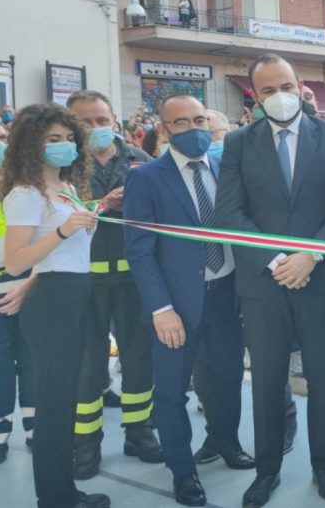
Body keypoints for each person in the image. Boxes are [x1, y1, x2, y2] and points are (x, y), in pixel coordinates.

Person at [215, 53, 325, 508]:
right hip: (264, 282)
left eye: (286, 86)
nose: (280, 97)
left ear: (301, 85)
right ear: (255, 97)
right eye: (268, 90)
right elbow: (230, 213)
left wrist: (311, 255)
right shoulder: (239, 143)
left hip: (320, 278)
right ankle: (267, 470)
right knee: (267, 379)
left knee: (321, 377)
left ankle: (323, 465)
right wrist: (279, 259)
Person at [123, 95, 252, 507]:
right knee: (172, 393)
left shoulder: (223, 169)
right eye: (181, 123)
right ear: (163, 129)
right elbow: (140, 250)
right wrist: (161, 309)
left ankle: (225, 442)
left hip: (226, 296)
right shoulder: (146, 178)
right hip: (176, 306)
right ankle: (183, 470)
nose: (194, 129)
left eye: (200, 120)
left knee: (229, 378)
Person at [2, 103, 108, 508]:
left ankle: (65, 490)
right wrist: (65, 230)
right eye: (52, 140)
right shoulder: (26, 195)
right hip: (56, 304)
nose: (63, 146)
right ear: (32, 144)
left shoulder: (63, 189)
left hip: (73, 293)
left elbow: (48, 262)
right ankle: (55, 497)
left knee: (64, 403)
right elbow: (15, 259)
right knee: (54, 405)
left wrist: (31, 282)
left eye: (68, 139)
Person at [66, 90, 161, 480]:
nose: (95, 128)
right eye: (85, 122)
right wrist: (101, 205)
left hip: (133, 278)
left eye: (101, 120)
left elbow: (161, 213)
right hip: (83, 278)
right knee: (87, 364)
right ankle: (85, 444)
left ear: (115, 121)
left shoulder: (142, 162)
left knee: (139, 358)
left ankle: (139, 431)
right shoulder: (61, 167)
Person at [0, 119, 34, 466]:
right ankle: (1, 430)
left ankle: (36, 425)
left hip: (28, 284)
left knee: (32, 358)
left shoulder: (22, 193)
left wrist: (30, 281)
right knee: (0, 363)